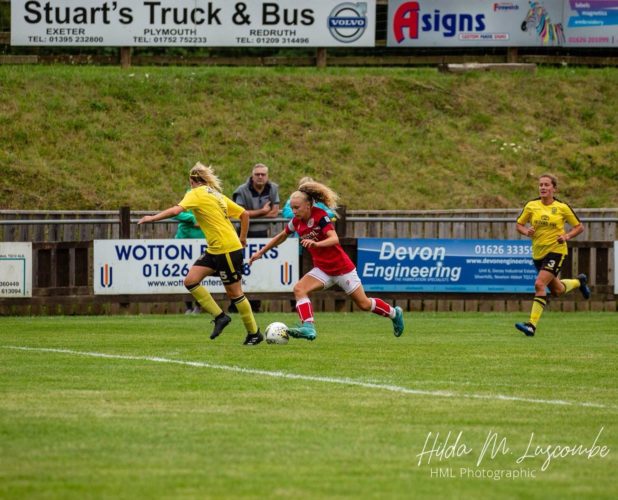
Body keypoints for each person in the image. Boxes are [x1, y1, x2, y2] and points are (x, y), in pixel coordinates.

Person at [249, 180, 405, 341]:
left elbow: (334, 239)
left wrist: (316, 243)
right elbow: (281, 236)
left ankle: (394, 313)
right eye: (292, 207)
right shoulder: (297, 221)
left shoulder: (320, 216)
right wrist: (260, 252)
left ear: (308, 206)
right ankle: (308, 327)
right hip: (323, 270)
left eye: (297, 207)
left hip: (342, 269)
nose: (293, 211)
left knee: (364, 304)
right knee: (299, 289)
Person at [138, 162, 263, 345]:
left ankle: (254, 333)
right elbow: (244, 214)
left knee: (234, 293)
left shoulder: (195, 193)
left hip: (227, 249)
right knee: (190, 280)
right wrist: (242, 239)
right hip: (216, 248)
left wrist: (152, 218)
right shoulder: (216, 195)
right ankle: (220, 317)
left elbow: (176, 210)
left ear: (192, 181)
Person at [514, 173, 590, 337]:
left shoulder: (562, 207)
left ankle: (531, 326)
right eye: (541, 185)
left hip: (556, 251)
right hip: (538, 253)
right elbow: (519, 225)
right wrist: (527, 231)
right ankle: (579, 281)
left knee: (539, 284)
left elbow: (579, 227)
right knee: (556, 291)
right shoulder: (531, 205)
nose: (542, 187)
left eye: (546, 185)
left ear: (554, 188)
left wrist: (567, 236)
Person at [232, 163, 280, 313]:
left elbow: (274, 213)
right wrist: (263, 211)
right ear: (252, 176)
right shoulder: (241, 190)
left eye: (263, 174)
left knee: (259, 269)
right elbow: (239, 213)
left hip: (262, 235)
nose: (260, 177)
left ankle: (256, 305)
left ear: (267, 176)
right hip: (243, 235)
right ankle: (235, 304)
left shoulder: (273, 188)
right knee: (239, 269)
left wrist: (252, 213)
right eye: (257, 174)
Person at [172, 208, 204, 315]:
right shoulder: (188, 200)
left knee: (199, 276)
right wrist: (192, 219)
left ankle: (198, 306)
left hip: (201, 244)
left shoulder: (208, 202)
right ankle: (189, 306)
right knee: (185, 275)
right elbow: (174, 214)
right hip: (183, 245)